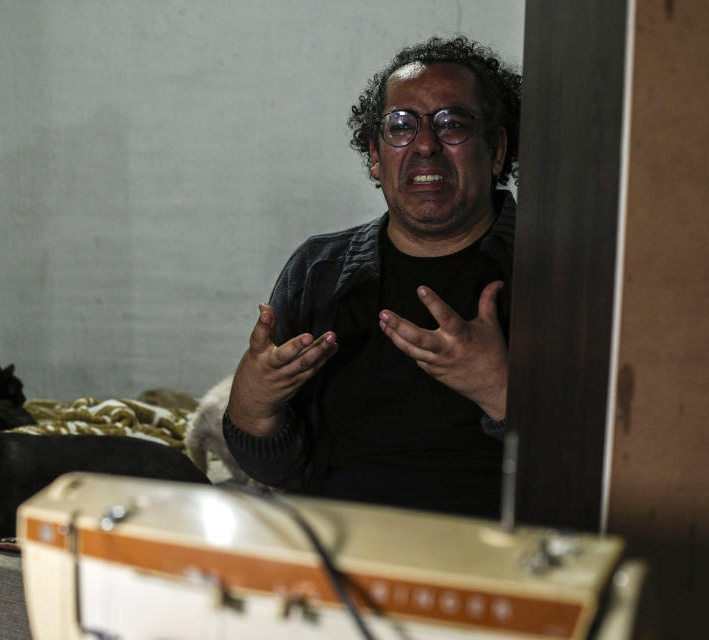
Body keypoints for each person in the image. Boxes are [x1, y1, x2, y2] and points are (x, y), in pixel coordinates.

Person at [223, 36, 521, 519]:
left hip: (490, 560)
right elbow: (278, 471)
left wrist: (502, 391)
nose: (425, 144)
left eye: (453, 124)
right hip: (340, 553)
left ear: (497, 150)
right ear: (375, 156)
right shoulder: (319, 268)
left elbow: (605, 467)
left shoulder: (556, 272)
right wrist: (253, 409)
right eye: (400, 126)